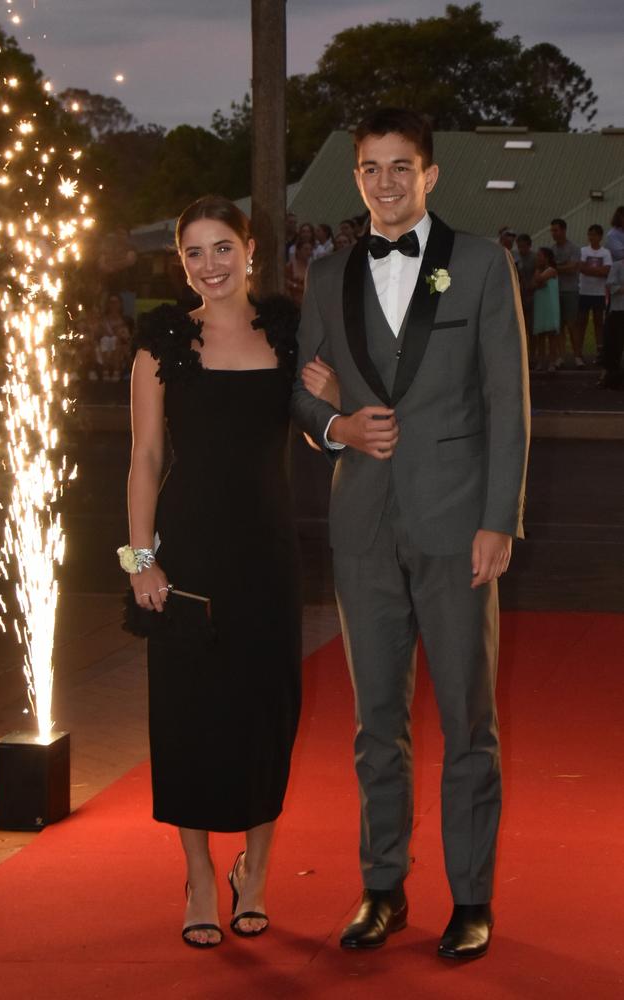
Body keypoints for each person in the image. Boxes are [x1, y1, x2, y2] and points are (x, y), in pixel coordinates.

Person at [292, 108, 529, 961]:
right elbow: (303, 389)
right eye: (369, 169)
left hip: (459, 526)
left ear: (429, 175)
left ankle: (471, 898)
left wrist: (500, 519)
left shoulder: (477, 264)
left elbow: (507, 401)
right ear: (354, 178)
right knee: (374, 722)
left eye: (401, 168)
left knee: (468, 721)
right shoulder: (327, 272)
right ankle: (381, 887)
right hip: (363, 528)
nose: (385, 183)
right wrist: (336, 427)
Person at [123, 195, 302, 949]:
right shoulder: (162, 341)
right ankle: (199, 875)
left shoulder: (288, 334)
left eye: (222, 248)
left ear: (250, 249)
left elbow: (320, 434)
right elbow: (144, 459)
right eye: (194, 253)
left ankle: (253, 872)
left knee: (268, 714)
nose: (209, 266)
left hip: (267, 554)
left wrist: (335, 414)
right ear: (181, 262)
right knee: (189, 717)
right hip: (188, 554)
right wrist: (141, 559)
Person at [578, 225, 612, 364]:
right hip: (583, 291)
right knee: (581, 322)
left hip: (598, 292)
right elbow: (581, 268)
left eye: (594, 235)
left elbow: (606, 271)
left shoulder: (605, 253)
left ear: (600, 236)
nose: (591, 237)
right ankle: (578, 352)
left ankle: (599, 352)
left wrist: (589, 269)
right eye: (589, 234)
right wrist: (597, 270)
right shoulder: (583, 250)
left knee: (599, 323)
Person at [550, 218, 581, 367]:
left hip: (570, 290)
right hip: (555, 291)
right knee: (559, 325)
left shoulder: (574, 248)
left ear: (563, 230)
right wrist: (562, 267)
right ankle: (560, 357)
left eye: (556, 230)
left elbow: (573, 267)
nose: (553, 233)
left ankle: (577, 356)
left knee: (572, 324)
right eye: (552, 230)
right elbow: (550, 268)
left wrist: (557, 268)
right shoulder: (552, 250)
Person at [532, 247, 561, 372]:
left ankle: (552, 362)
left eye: (540, 256)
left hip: (550, 306)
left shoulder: (551, 270)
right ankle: (541, 361)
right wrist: (538, 280)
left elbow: (539, 280)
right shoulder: (539, 271)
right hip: (540, 306)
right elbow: (533, 285)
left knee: (551, 335)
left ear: (547, 257)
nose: (537, 258)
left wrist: (538, 273)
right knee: (541, 335)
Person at [598, 257, 624, 389]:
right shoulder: (617, 266)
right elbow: (611, 285)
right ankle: (612, 378)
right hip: (619, 310)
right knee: (616, 345)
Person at [286, 235, 314, 306]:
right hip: (293, 303)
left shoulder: (312, 267)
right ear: (298, 251)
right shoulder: (290, 266)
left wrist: (294, 285)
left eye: (310, 249)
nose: (309, 252)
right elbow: (286, 283)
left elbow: (311, 289)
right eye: (306, 249)